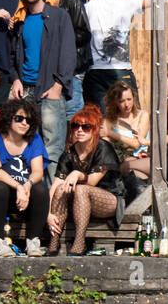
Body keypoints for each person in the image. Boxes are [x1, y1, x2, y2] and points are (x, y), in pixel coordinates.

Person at [8, 0, 75, 168]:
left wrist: (59, 85)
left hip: (49, 88)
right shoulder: (19, 20)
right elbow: (12, 55)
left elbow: (69, 53)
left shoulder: (58, 16)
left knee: (52, 146)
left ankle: (50, 196)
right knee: (21, 144)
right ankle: (27, 193)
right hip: (24, 90)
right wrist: (16, 79)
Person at [47, 104, 124, 255]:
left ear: (94, 129)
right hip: (78, 202)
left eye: (86, 127)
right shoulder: (69, 153)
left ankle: (79, 242)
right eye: (76, 126)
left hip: (109, 199)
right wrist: (48, 213)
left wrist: (77, 173)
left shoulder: (103, 148)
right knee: (61, 188)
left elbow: (92, 182)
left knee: (81, 189)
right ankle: (53, 241)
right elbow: (55, 185)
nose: (80, 130)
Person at [0, 97, 49, 256]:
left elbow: (38, 171)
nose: (24, 123)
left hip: (23, 196)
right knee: (0, 188)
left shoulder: (35, 139)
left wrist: (27, 185)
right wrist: (18, 186)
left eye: (28, 120)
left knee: (41, 189)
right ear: (9, 118)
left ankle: (33, 242)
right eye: (19, 118)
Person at [82, 0, 149, 107]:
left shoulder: (89, 6)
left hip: (95, 71)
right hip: (120, 69)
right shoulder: (127, 1)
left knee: (99, 119)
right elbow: (153, 1)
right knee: (132, 116)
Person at [39, 0, 91, 123]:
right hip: (47, 70)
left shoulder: (72, 2)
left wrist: (59, 40)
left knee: (72, 115)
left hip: (72, 69)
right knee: (47, 115)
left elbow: (83, 33)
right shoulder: (38, 5)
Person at [102, 81, 149, 174]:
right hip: (120, 161)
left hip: (141, 159)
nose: (127, 104)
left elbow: (136, 144)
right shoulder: (110, 120)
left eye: (129, 99)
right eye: (122, 101)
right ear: (115, 102)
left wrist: (110, 133)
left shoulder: (143, 115)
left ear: (134, 98)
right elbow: (103, 139)